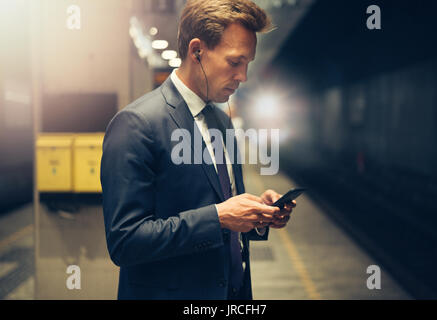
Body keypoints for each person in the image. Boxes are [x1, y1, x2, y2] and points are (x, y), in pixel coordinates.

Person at [100, 0, 296, 300]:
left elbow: (225, 210)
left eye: (248, 64)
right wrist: (217, 217)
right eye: (235, 62)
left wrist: (257, 215)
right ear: (197, 51)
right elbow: (125, 242)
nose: (243, 76)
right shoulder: (136, 124)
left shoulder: (222, 122)